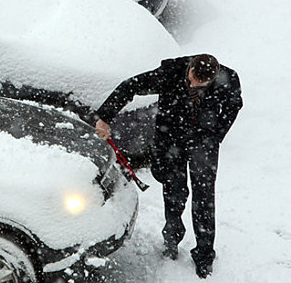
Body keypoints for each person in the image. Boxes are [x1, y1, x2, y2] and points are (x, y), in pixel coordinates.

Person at [93, 54, 242, 279]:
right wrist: (104, 117)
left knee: (204, 198)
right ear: (189, 68)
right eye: (191, 79)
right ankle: (171, 240)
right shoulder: (171, 72)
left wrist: (215, 134)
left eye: (199, 85)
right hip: (171, 140)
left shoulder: (227, 79)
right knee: (174, 194)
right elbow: (130, 86)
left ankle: (204, 256)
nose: (192, 85)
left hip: (204, 143)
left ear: (211, 79)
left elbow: (234, 106)